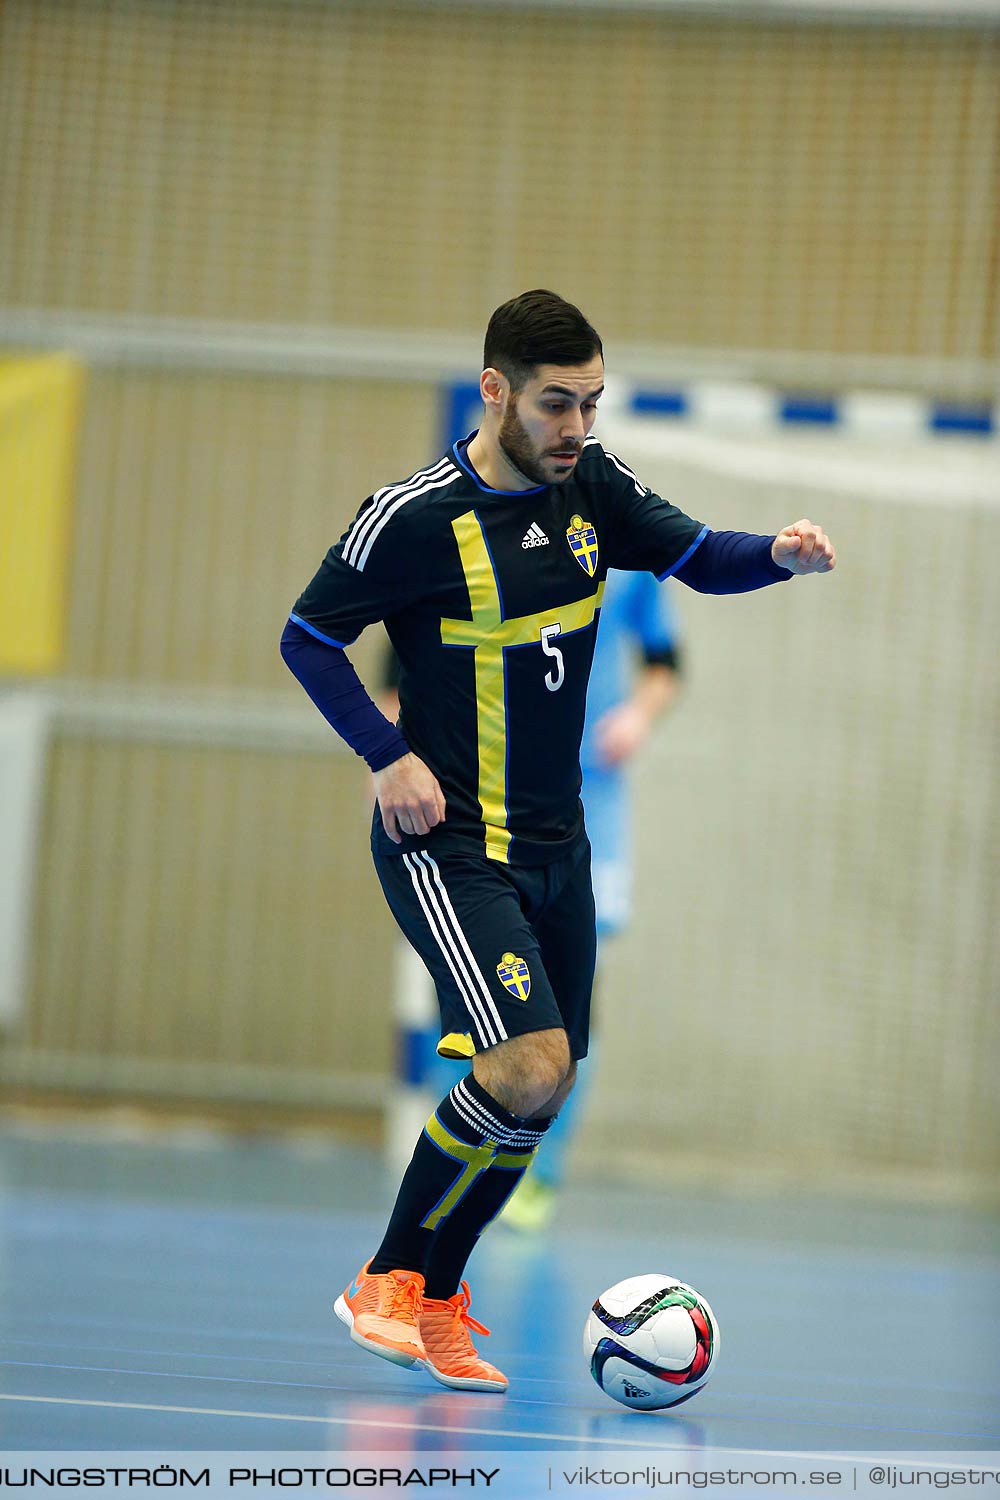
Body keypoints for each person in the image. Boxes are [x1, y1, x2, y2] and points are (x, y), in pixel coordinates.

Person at [280, 288, 836, 1395]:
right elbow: (308, 639)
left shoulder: (594, 488)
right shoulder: (411, 516)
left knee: (551, 1080)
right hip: (452, 845)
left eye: (590, 400)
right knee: (521, 1064)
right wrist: (384, 758)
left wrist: (774, 552)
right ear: (494, 392)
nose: (576, 424)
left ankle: (438, 1300)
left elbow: (697, 557)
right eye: (554, 403)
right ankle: (386, 1278)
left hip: (559, 842)